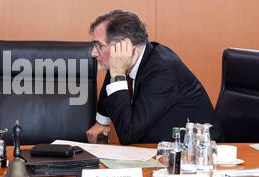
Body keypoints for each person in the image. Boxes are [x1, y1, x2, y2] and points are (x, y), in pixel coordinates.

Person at [86, 10, 223, 145]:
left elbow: (128, 134)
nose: (93, 53)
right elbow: (113, 71)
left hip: (196, 154)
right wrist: (102, 122)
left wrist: (118, 76)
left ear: (124, 46)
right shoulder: (129, 61)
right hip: (156, 149)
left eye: (99, 46)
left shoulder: (162, 72)